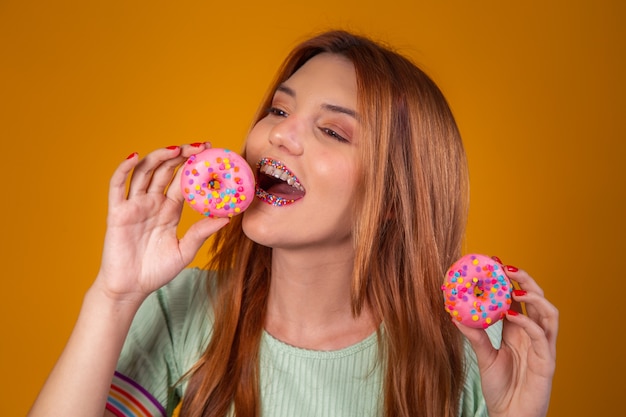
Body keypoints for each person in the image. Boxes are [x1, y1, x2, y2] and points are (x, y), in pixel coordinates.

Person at [28, 30, 558, 417]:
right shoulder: (182, 309)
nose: (280, 135)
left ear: (395, 195)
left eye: (332, 131)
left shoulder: (474, 349)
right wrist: (114, 298)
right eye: (279, 112)